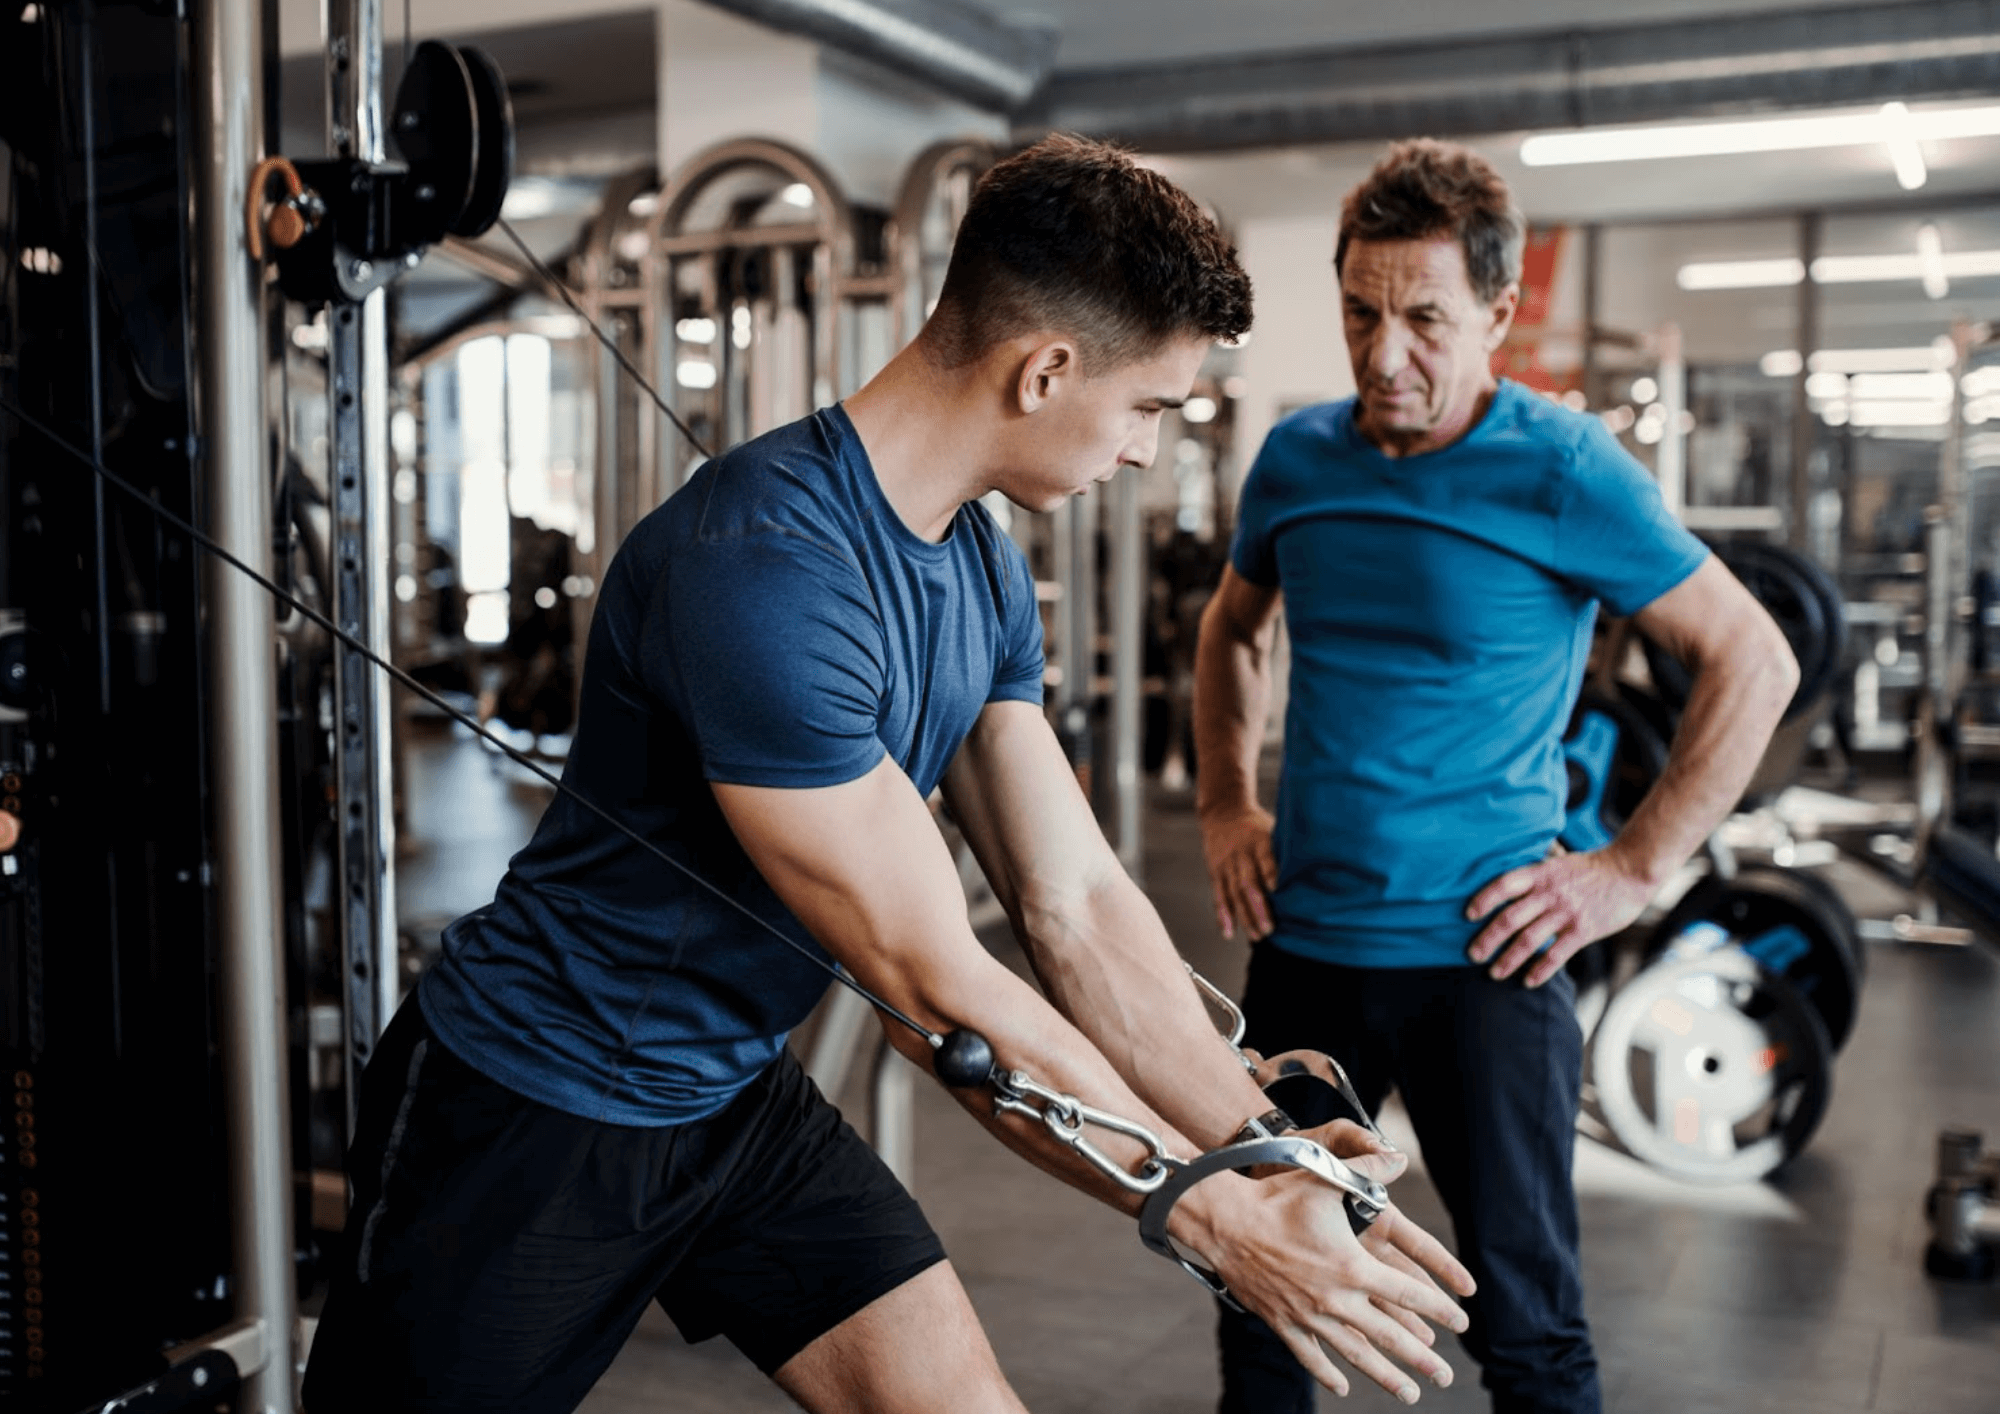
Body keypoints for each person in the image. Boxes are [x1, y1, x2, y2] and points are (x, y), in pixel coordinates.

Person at [303, 134, 1477, 1414]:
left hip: (731, 1091)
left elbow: (1073, 901)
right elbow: (932, 980)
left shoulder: (976, 564)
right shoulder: (762, 568)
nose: (1146, 449)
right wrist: (1210, 1215)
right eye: (1147, 406)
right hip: (534, 1099)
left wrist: (1260, 1151)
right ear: (1045, 370)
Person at [1194, 139, 1799, 1414]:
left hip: (1484, 959)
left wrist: (1628, 871)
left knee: (1523, 1330)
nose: (1383, 355)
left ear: (1496, 313)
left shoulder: (1561, 468)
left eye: (1422, 319)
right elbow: (1230, 631)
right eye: (1359, 313)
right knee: (1260, 1299)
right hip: (1303, 951)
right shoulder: (1296, 460)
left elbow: (1752, 657)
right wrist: (1221, 801)